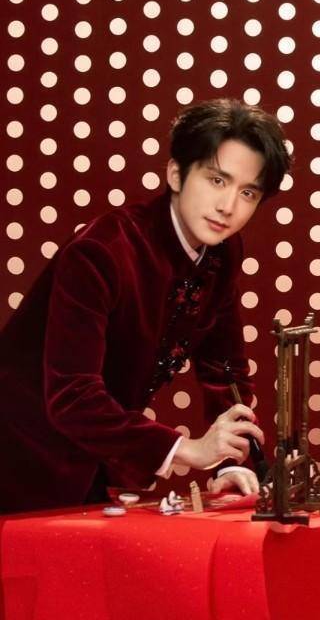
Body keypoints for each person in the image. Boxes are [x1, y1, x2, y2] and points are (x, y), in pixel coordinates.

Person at [0, 98, 290, 515]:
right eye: (216, 180)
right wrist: (186, 449)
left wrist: (229, 460)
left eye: (248, 192)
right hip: (18, 454)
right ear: (176, 173)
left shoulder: (222, 251)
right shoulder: (101, 251)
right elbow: (72, 396)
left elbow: (224, 370)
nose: (228, 206)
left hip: (94, 462)